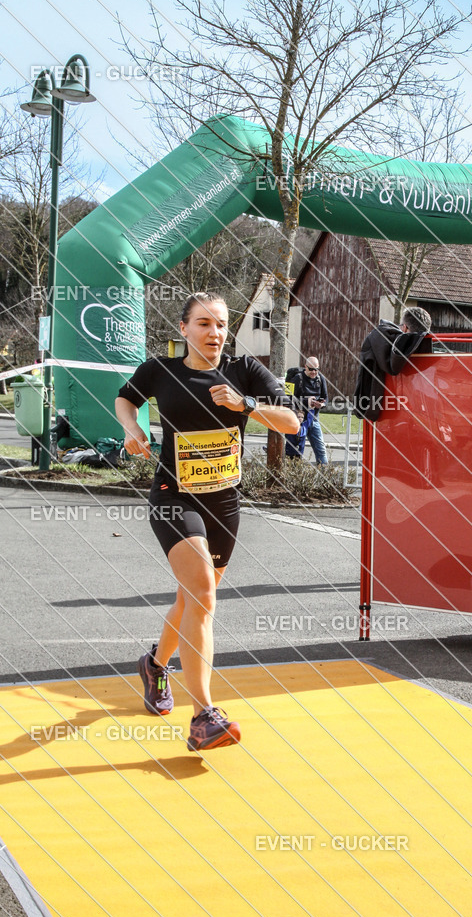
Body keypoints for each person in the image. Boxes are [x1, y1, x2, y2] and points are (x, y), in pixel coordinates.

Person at [114, 292, 299, 752]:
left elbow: (292, 422)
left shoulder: (244, 373)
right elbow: (125, 399)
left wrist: (246, 406)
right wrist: (132, 429)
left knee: (191, 599)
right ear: (184, 329)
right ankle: (204, 716)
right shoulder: (160, 369)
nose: (214, 333)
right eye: (203, 324)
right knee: (203, 595)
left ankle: (155, 666)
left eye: (220, 324)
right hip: (174, 496)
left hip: (224, 503)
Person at [353, 307, 432, 421]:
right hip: (420, 413)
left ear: (404, 327)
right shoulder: (428, 350)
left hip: (381, 412)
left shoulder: (377, 340)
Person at [291, 356, 329, 465]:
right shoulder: (298, 378)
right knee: (296, 449)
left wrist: (322, 404)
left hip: (313, 418)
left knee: (320, 447)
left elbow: (325, 397)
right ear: (305, 367)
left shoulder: (321, 379)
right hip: (299, 419)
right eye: (311, 369)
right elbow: (288, 398)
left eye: (316, 369)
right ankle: (294, 473)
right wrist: (306, 401)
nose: (313, 372)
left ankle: (324, 473)